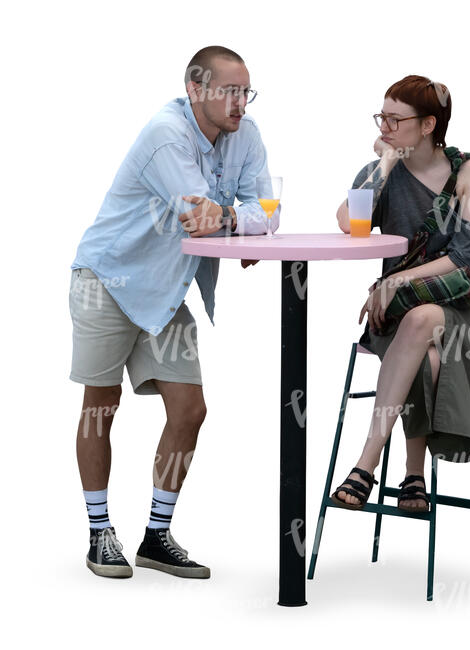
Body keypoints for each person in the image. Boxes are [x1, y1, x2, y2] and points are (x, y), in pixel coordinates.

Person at [69, 45, 279, 578]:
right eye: (229, 91)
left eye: (245, 91)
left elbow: (269, 212)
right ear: (195, 90)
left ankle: (156, 536)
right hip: (108, 281)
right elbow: (198, 219)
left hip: (164, 293)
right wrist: (239, 221)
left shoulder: (245, 136)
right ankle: (100, 533)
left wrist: (232, 217)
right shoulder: (167, 133)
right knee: (102, 405)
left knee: (190, 411)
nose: (240, 103)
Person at [332, 75, 470, 512]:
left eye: (394, 119)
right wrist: (384, 165)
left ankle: (366, 462)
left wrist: (397, 279)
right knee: (423, 347)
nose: (383, 127)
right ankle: (413, 475)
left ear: (428, 125)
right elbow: (350, 223)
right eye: (380, 117)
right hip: (396, 316)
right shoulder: (385, 171)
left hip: (458, 311)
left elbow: (468, 258)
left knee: (424, 320)